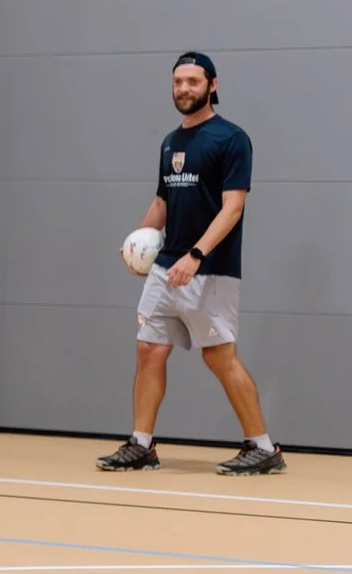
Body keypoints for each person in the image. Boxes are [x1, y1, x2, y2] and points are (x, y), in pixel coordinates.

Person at [98, 52, 284, 476]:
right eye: (178, 81)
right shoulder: (170, 142)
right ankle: (141, 445)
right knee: (149, 350)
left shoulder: (231, 138)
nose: (184, 88)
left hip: (209, 269)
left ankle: (263, 448)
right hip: (166, 267)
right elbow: (163, 199)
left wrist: (196, 255)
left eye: (193, 81)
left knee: (219, 357)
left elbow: (233, 207)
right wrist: (137, 240)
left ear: (212, 85)